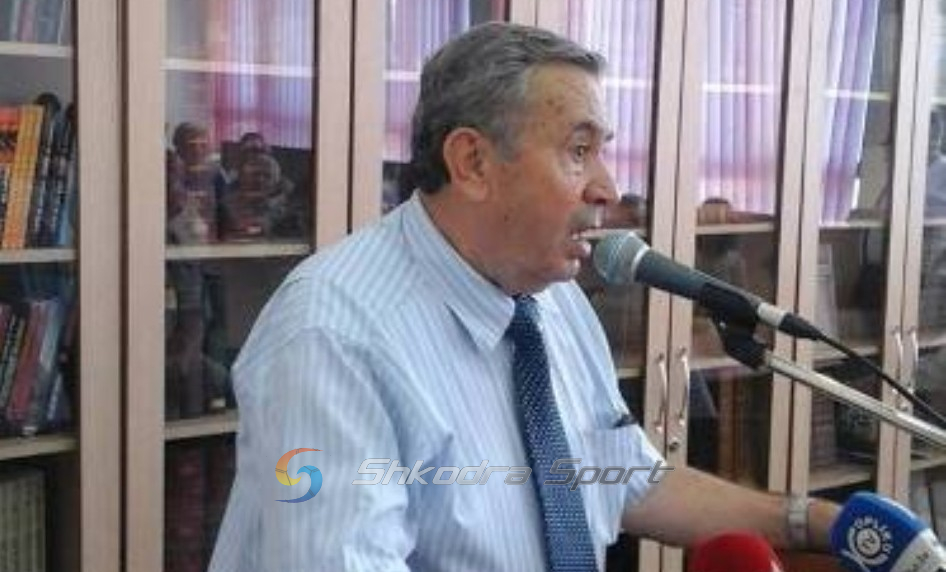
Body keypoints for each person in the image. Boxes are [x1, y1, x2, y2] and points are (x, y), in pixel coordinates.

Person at [209, 23, 841, 571]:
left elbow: (626, 478)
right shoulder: (332, 334)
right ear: (473, 162)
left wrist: (811, 522)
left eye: (601, 152)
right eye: (579, 151)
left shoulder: (551, 300)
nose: (607, 187)